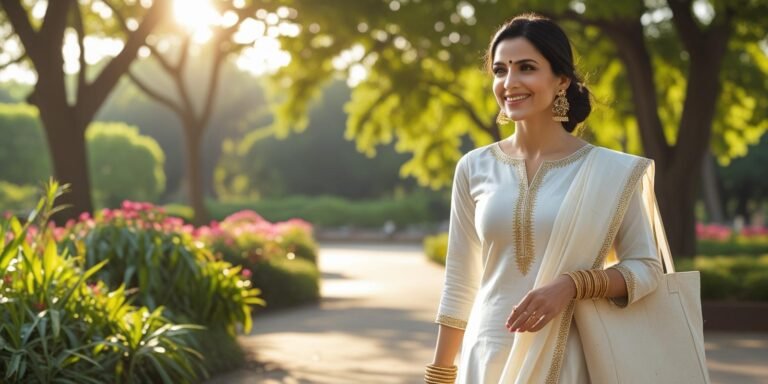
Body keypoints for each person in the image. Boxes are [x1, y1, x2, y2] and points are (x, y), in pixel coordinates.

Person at [426, 13, 664, 383]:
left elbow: (647, 268)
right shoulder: (475, 167)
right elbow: (460, 280)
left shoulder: (610, 172)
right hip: (486, 356)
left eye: (526, 68)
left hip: (566, 357)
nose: (510, 82)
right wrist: (440, 374)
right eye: (500, 70)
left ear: (561, 81)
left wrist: (572, 285)